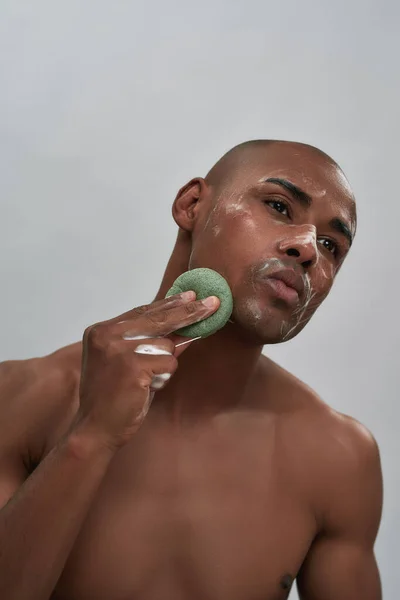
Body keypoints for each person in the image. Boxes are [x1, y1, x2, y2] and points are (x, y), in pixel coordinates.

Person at [0, 140, 383, 600]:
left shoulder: (339, 457)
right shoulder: (20, 398)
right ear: (193, 205)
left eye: (331, 245)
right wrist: (91, 436)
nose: (308, 250)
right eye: (279, 206)